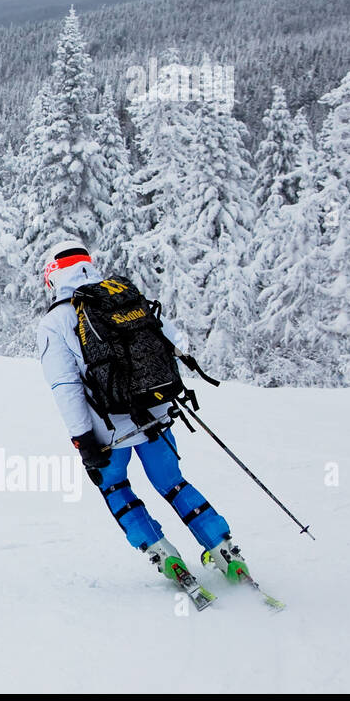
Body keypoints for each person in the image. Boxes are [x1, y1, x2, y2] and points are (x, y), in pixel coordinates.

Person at [37, 239, 245, 598]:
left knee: (116, 487)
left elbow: (65, 385)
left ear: (52, 277)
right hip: (157, 415)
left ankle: (162, 553)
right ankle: (224, 550)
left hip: (108, 431)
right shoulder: (122, 295)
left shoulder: (56, 321)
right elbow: (171, 343)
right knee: (173, 483)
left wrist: (83, 441)